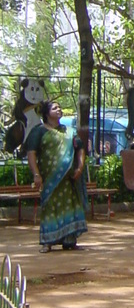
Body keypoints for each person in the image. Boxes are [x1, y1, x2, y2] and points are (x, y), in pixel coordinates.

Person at [25, 99, 88, 252]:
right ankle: (48, 241)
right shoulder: (38, 131)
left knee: (70, 207)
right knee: (50, 208)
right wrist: (36, 174)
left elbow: (80, 149)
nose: (59, 109)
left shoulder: (69, 131)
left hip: (68, 180)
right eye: (54, 108)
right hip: (50, 180)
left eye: (59, 107)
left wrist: (79, 168)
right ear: (47, 114)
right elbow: (31, 154)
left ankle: (69, 241)